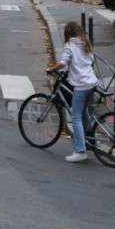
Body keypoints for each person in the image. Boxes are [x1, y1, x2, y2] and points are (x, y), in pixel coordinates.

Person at [46, 22, 98, 163]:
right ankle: (91, 139)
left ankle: (80, 150)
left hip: (81, 84)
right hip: (91, 82)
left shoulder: (69, 45)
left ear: (67, 33)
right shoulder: (85, 43)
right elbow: (91, 61)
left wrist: (51, 69)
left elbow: (63, 63)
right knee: (84, 112)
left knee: (76, 117)